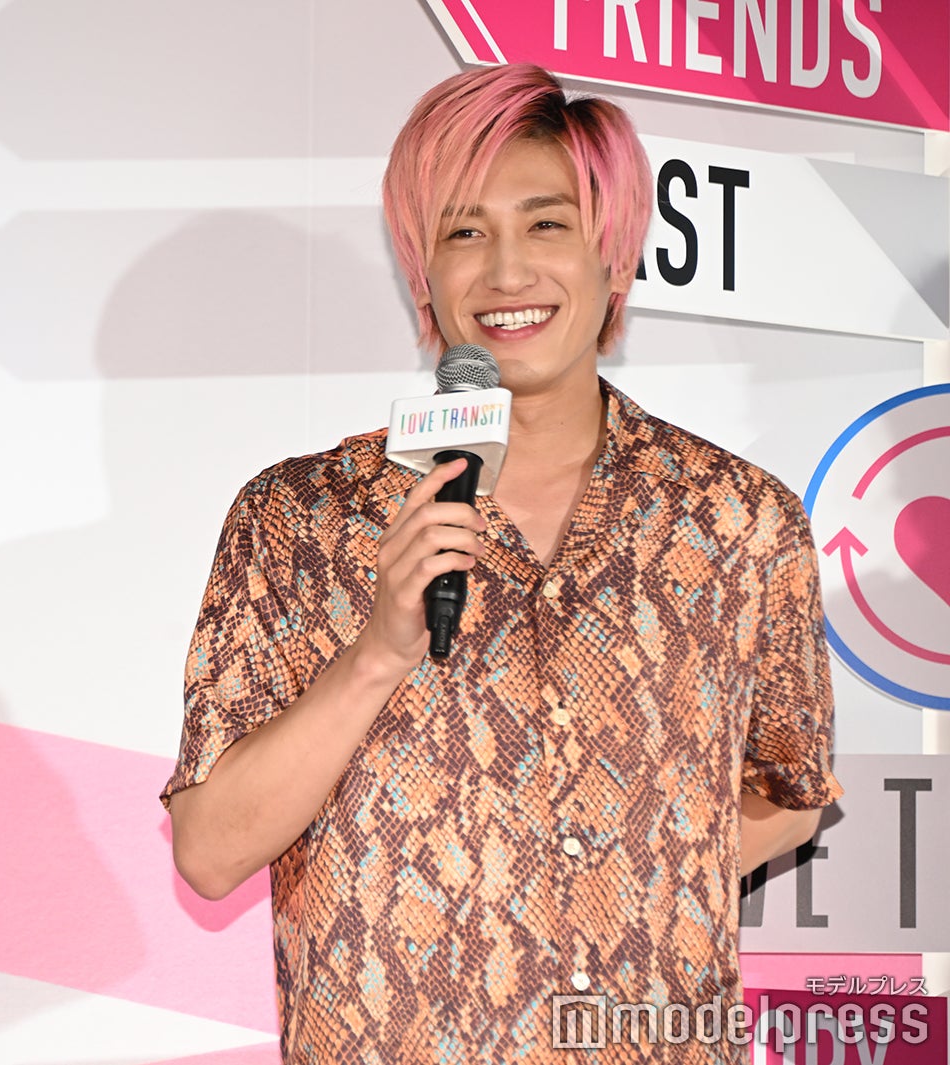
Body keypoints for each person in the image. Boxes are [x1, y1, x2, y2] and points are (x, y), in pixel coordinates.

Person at [163, 63, 840, 1062]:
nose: (507, 272)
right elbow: (211, 851)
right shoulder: (299, 519)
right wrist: (377, 652)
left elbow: (791, 791)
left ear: (615, 255)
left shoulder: (737, 522)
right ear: (421, 272)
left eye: (547, 224)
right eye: (464, 233)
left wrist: (613, 885)